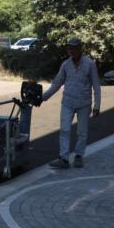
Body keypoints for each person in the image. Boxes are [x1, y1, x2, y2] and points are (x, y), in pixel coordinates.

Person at [42, 38, 101, 169]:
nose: (71, 51)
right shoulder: (65, 65)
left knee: (82, 132)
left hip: (84, 103)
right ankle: (63, 158)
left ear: (80, 48)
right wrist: (42, 98)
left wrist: (97, 105)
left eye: (74, 48)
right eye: (69, 48)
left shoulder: (89, 64)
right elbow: (57, 84)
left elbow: (96, 86)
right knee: (64, 130)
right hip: (68, 101)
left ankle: (79, 156)